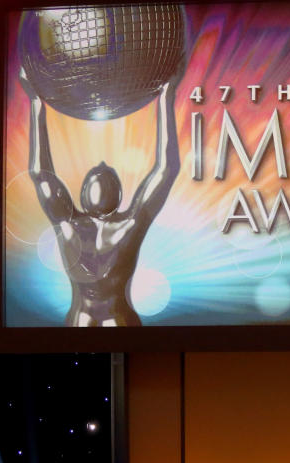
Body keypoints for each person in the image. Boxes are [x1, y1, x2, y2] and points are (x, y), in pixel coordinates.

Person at [18, 63, 183, 326]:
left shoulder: (70, 223)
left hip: (86, 319)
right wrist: (166, 95)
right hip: (112, 318)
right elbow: (166, 169)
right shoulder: (127, 225)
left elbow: (41, 174)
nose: (101, 172)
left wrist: (36, 101)